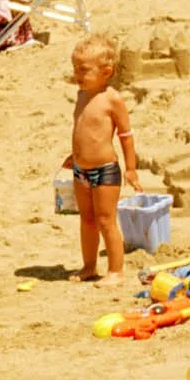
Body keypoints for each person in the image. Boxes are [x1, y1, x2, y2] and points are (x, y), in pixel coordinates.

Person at [67, 33, 136, 281]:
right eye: (75, 68)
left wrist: (131, 168)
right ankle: (89, 266)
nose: (77, 74)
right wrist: (73, 155)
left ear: (106, 72)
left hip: (105, 170)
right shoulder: (82, 95)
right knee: (86, 219)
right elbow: (83, 129)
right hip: (80, 168)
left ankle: (116, 270)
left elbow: (126, 135)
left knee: (106, 220)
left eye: (83, 70)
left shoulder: (112, 99)